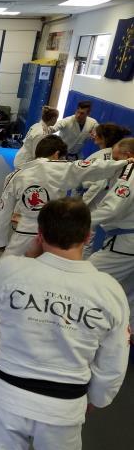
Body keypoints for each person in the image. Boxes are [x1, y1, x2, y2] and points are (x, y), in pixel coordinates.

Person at [0, 197, 129, 450]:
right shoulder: (109, 290)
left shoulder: (12, 269)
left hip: (8, 396)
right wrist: (98, 397)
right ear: (88, 236)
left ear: (40, 234)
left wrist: (29, 258)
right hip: (65, 405)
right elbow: (113, 362)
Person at [0, 135, 130, 329]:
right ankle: (42, 318)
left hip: (25, 233)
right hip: (54, 233)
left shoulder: (16, 175)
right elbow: (93, 167)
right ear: (56, 154)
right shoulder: (62, 168)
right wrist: (123, 163)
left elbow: (3, 211)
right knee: (51, 276)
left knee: (3, 271)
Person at [88, 138, 134, 333]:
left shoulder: (130, 170)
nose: (115, 163)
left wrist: (79, 222)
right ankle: (125, 333)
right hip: (127, 242)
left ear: (128, 156)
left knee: (86, 278)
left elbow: (112, 208)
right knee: (127, 293)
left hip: (125, 244)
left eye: (117, 158)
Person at [81, 123, 132, 208]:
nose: (94, 136)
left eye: (97, 134)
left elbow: (99, 184)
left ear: (103, 138)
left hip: (94, 201)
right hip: (110, 200)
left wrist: (82, 203)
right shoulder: (116, 154)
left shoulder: (101, 157)